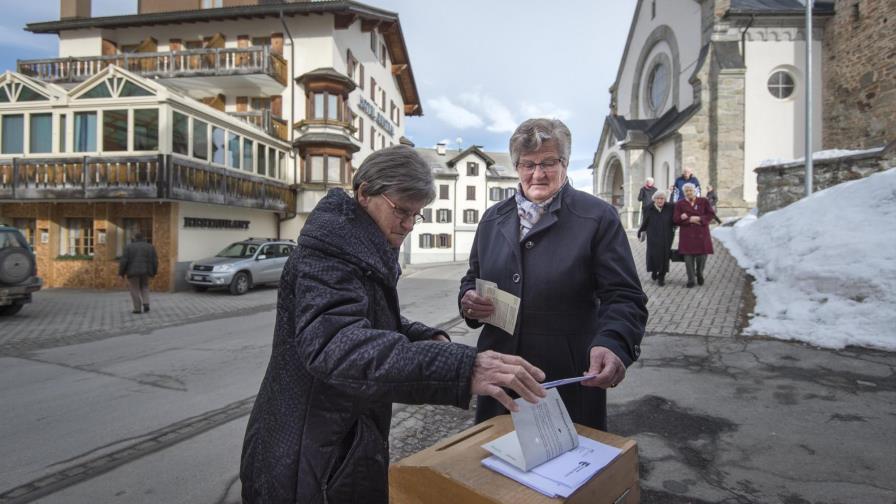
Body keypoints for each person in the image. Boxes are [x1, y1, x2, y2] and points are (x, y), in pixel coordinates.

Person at [240, 146, 547, 504]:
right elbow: (336, 344)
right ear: (364, 193)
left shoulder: (359, 245)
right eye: (401, 210)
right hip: (307, 454)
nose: (407, 224)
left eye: (415, 215)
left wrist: (423, 336)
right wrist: (461, 368)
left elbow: (367, 317)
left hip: (336, 442)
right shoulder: (329, 254)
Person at [458, 118, 648, 431]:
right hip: (500, 375)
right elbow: (473, 277)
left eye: (549, 162)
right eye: (527, 164)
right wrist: (468, 300)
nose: (538, 173)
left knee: (566, 473)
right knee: (493, 471)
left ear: (566, 163)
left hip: (565, 377)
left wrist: (613, 343)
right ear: (517, 166)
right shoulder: (493, 218)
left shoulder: (596, 217)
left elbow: (624, 297)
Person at [673, 183, 715, 288]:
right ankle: (691, 279)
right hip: (687, 235)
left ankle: (699, 273)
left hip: (701, 234)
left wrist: (700, 219)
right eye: (686, 191)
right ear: (684, 193)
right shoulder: (680, 204)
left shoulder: (703, 201)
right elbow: (675, 219)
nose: (689, 192)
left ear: (694, 191)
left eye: (690, 190)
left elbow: (710, 214)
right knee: (688, 258)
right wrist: (688, 220)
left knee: (702, 256)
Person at [637, 190, 675, 286]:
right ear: (654, 199)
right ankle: (654, 270)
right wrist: (640, 231)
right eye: (658, 198)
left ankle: (661, 277)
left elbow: (675, 219)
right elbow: (645, 222)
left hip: (667, 236)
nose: (660, 200)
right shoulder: (648, 209)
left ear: (664, 199)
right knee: (653, 255)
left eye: (662, 198)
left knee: (664, 256)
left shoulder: (670, 207)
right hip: (653, 236)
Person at [118, 231, 158, 314]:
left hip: (133, 272)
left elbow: (124, 261)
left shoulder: (128, 247)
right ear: (144, 238)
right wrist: (154, 271)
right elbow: (155, 261)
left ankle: (137, 308)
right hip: (146, 271)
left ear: (135, 238)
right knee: (145, 287)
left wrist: (121, 273)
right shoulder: (150, 247)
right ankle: (146, 303)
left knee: (134, 288)